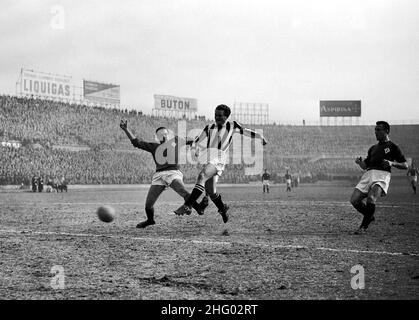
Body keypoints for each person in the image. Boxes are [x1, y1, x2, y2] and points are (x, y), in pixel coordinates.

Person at [174, 104, 267, 222]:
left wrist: (260, 137)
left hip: (219, 157)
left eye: (220, 115)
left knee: (202, 176)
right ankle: (223, 209)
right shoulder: (209, 127)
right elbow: (196, 142)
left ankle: (187, 205)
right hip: (209, 157)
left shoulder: (232, 125)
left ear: (226, 117)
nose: (217, 117)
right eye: (215, 115)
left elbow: (246, 132)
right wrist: (194, 150)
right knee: (211, 191)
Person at [120, 119, 208, 228]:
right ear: (157, 137)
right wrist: (126, 129)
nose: (164, 136)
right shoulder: (154, 147)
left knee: (183, 191)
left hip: (173, 172)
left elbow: (193, 140)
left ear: (169, 135)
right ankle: (150, 220)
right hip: (159, 176)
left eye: (166, 134)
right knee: (148, 204)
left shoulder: (176, 141)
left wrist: (195, 148)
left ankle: (198, 208)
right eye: (161, 135)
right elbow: (136, 143)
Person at [350, 121, 408, 233]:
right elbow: (365, 166)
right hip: (368, 174)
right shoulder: (373, 148)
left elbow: (405, 165)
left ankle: (363, 227)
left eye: (378, 130)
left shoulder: (393, 147)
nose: (376, 132)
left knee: (371, 198)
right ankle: (369, 216)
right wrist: (359, 163)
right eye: (375, 130)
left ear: (386, 131)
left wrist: (392, 163)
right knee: (354, 200)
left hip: (382, 175)